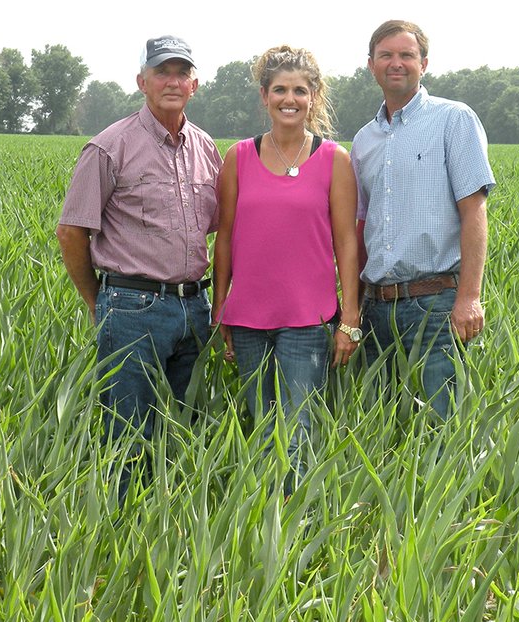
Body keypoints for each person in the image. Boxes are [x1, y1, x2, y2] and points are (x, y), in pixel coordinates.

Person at [56, 35, 221, 503]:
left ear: (194, 84)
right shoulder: (110, 146)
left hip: (195, 306)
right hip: (131, 306)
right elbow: (71, 232)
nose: (172, 81)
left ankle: (171, 520)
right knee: (128, 431)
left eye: (181, 73)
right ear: (142, 81)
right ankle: (123, 530)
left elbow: (221, 229)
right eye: (162, 72)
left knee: (184, 426)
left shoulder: (206, 148)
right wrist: (99, 302)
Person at [211, 45, 360, 495]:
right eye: (279, 89)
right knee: (260, 426)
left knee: (298, 431)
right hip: (249, 319)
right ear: (264, 96)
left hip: (308, 321)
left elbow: (347, 242)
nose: (288, 98)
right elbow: (224, 238)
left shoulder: (335, 159)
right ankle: (259, 520)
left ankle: (293, 528)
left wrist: (349, 319)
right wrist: (219, 310)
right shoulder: (238, 156)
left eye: (299, 90)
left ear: (313, 96)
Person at [351, 20, 496, 420]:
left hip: (436, 305)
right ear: (371, 65)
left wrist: (468, 297)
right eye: (386, 55)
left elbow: (474, 212)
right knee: (380, 425)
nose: (396, 63)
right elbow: (362, 226)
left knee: (442, 426)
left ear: (424, 64)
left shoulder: (454, 119)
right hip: (376, 307)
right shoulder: (363, 140)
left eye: (406, 55)